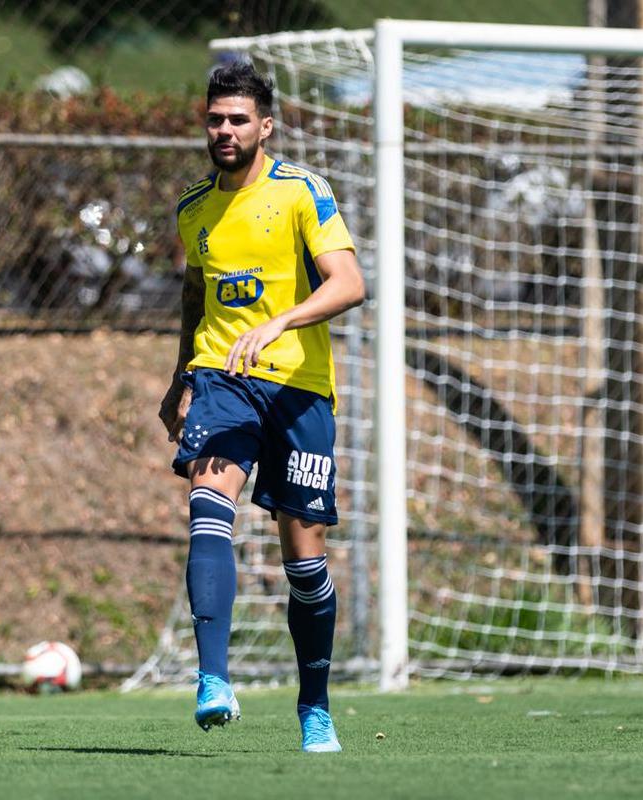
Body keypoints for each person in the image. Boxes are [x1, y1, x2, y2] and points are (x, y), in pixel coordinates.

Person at [157, 60, 365, 753]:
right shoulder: (193, 208)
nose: (224, 129)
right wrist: (180, 378)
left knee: (304, 563)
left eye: (238, 119)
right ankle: (212, 680)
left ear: (265, 126)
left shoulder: (302, 191)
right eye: (215, 118)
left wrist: (282, 322)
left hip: (299, 388)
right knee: (207, 502)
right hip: (223, 377)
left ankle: (315, 707)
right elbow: (196, 296)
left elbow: (348, 282)